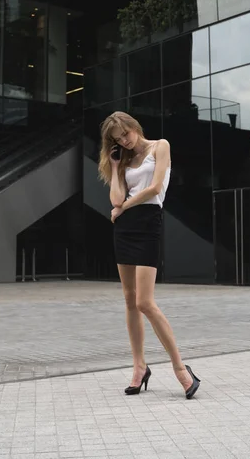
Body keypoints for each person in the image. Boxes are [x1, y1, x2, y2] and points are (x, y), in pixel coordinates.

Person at [98, 111, 200, 399]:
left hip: (147, 222)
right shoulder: (124, 160)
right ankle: (139, 366)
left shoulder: (160, 146)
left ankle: (181, 369)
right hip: (125, 228)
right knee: (130, 300)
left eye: (125, 134)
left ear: (133, 126)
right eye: (117, 140)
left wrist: (123, 208)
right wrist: (117, 167)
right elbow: (115, 199)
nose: (124, 141)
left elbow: (155, 188)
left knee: (145, 302)